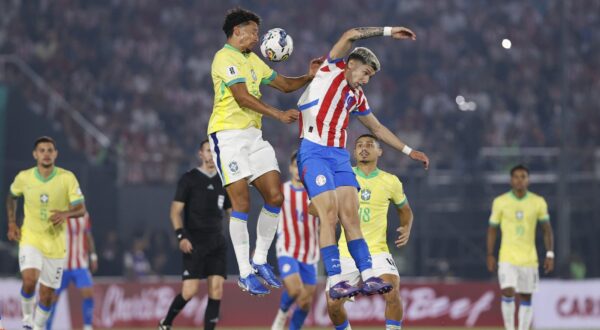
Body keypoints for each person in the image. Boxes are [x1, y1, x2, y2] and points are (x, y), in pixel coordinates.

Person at [295, 26, 429, 300]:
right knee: (329, 216)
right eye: (366, 73)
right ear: (352, 64)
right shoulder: (330, 69)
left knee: (350, 217)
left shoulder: (356, 97)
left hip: (339, 156)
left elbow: (377, 129)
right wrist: (390, 32)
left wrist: (408, 150)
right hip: (314, 153)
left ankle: (368, 276)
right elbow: (351, 34)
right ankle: (335, 279)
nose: (367, 80)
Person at [207, 7, 322, 295]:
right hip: (228, 136)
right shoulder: (224, 57)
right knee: (241, 204)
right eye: (254, 31)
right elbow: (242, 97)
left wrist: (308, 76)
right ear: (237, 31)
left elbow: (283, 85)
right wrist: (279, 115)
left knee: (275, 196)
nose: (258, 37)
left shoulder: (253, 60)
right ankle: (244, 272)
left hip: (254, 137)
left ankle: (259, 260)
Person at [326, 134, 413, 330]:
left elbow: (405, 210)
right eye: (359, 145)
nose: (363, 148)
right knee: (333, 305)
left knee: (392, 292)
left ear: (379, 151)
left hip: (377, 251)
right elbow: (317, 206)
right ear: (354, 151)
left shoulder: (391, 181)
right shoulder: (341, 176)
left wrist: (406, 226)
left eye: (369, 145)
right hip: (345, 252)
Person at [6, 136, 86, 330]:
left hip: (56, 243)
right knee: (29, 280)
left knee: (48, 295)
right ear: (35, 155)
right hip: (31, 238)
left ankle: (38, 327)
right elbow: (12, 196)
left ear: (56, 154)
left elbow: (81, 208)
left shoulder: (67, 178)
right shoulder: (24, 177)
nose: (46, 154)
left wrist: (65, 213)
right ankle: (26, 321)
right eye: (42, 150)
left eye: (50, 150)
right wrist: (11, 223)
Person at [159, 139, 232, 330]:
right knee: (189, 291)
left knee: (216, 289)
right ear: (200, 154)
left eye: (214, 151)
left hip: (217, 243)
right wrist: (181, 237)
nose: (211, 155)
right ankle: (166, 323)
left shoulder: (224, 180)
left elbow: (231, 212)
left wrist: (239, 236)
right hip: (194, 242)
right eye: (208, 151)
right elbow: (175, 211)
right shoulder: (189, 179)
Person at [487, 164, 555, 330]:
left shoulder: (538, 202)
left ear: (528, 180)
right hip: (507, 257)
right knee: (508, 291)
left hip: (529, 259)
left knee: (526, 296)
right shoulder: (500, 202)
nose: (519, 180)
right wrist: (490, 254)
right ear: (511, 180)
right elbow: (492, 229)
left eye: (523, 176)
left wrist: (550, 254)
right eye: (516, 177)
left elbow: (547, 229)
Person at [271, 151, 319, 330]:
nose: (299, 170)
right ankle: (282, 314)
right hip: (287, 248)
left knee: (305, 303)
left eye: (302, 166)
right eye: (295, 166)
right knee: (295, 290)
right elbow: (269, 217)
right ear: (290, 168)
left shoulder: (316, 192)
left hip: (310, 253)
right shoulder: (281, 191)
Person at [46, 212, 98, 330]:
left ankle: (87, 327)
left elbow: (88, 235)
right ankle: (47, 327)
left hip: (79, 263)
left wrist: (93, 256)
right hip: (60, 264)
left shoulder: (84, 214)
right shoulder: (55, 213)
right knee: (52, 298)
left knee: (88, 293)